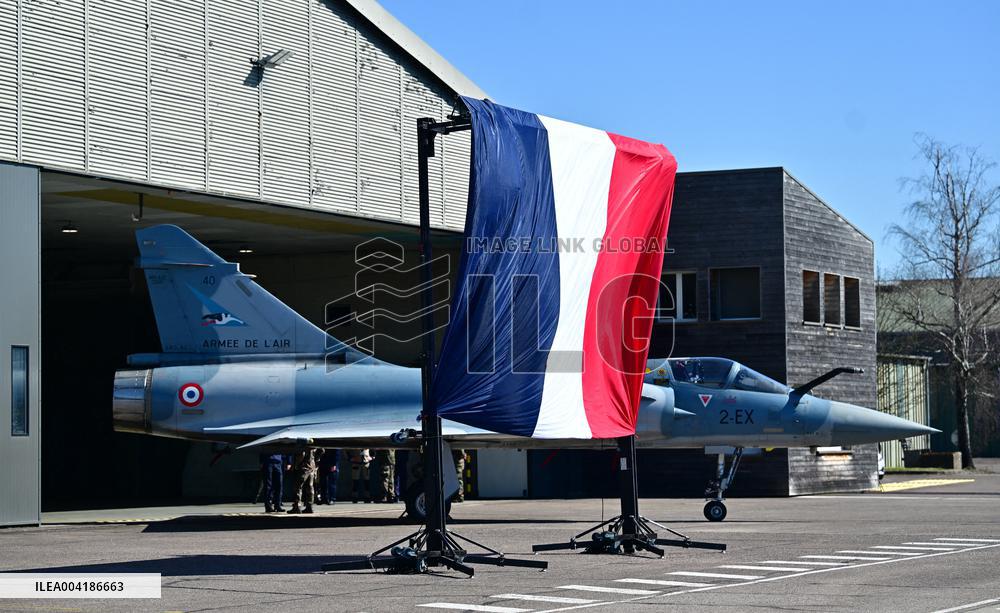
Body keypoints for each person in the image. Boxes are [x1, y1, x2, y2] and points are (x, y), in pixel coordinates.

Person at [287, 449, 318, 514]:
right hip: (312, 466)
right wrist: (316, 460)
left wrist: (297, 465)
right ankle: (310, 507)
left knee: (298, 486)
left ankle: (297, 507)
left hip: (303, 466)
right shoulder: (314, 443)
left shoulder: (303, 442)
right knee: (310, 487)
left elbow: (302, 453)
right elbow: (322, 450)